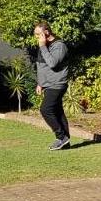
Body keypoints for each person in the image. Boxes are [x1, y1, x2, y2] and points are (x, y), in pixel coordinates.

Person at [34, 22, 70, 151]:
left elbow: (52, 63)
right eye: (35, 35)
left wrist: (43, 46)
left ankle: (61, 136)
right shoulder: (45, 45)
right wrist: (40, 83)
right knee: (58, 112)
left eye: (38, 34)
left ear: (47, 32)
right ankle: (66, 141)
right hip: (48, 84)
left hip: (57, 84)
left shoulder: (59, 46)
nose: (36, 37)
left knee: (46, 109)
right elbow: (42, 66)